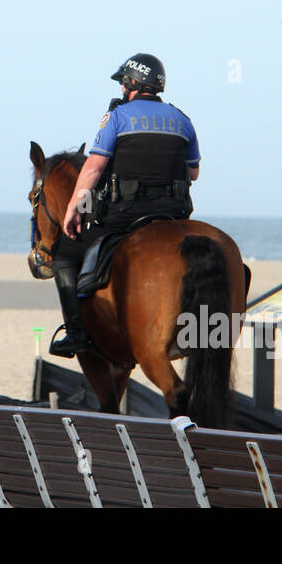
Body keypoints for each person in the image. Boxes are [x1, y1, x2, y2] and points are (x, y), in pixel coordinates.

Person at [49, 54, 201, 358]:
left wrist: (73, 209)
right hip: (174, 217)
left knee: (65, 252)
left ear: (132, 83)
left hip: (126, 216)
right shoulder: (182, 119)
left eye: (123, 82)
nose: (121, 88)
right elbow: (193, 172)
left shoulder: (117, 117)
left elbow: (93, 168)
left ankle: (76, 332)